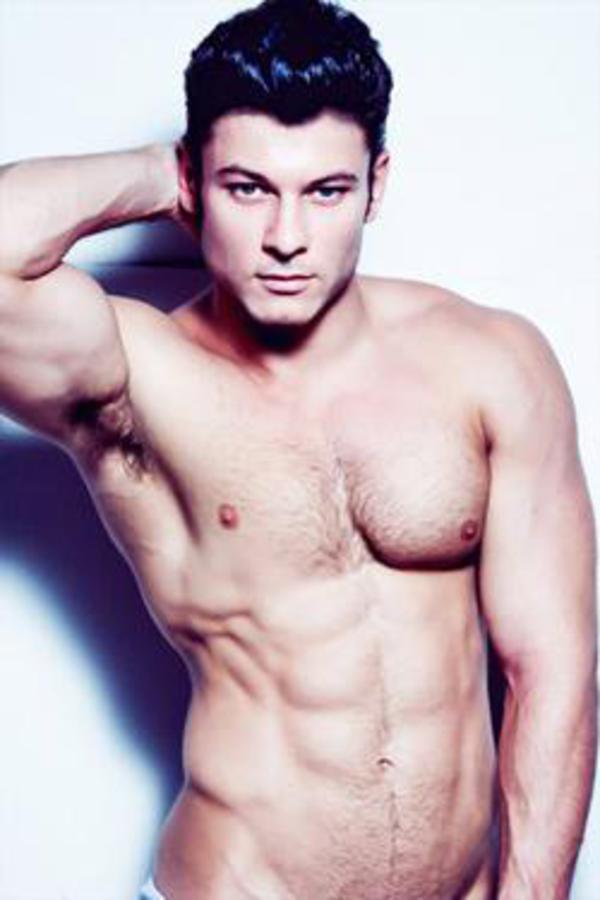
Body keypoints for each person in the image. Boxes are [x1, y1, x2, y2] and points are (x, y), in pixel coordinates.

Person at [0, 0, 597, 897]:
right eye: (248, 188)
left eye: (326, 191)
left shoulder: (490, 362)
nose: (287, 239)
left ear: (376, 185)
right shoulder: (136, 378)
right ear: (197, 182)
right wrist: (160, 170)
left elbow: (552, 669)